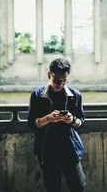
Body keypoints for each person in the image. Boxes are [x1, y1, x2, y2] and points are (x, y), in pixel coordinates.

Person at [27, 58, 86, 192]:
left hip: (70, 149)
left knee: (79, 186)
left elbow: (81, 122)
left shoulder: (75, 95)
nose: (60, 83)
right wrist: (48, 118)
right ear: (49, 75)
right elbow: (31, 123)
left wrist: (72, 119)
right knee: (53, 187)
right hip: (47, 149)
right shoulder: (37, 95)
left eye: (64, 80)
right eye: (57, 80)